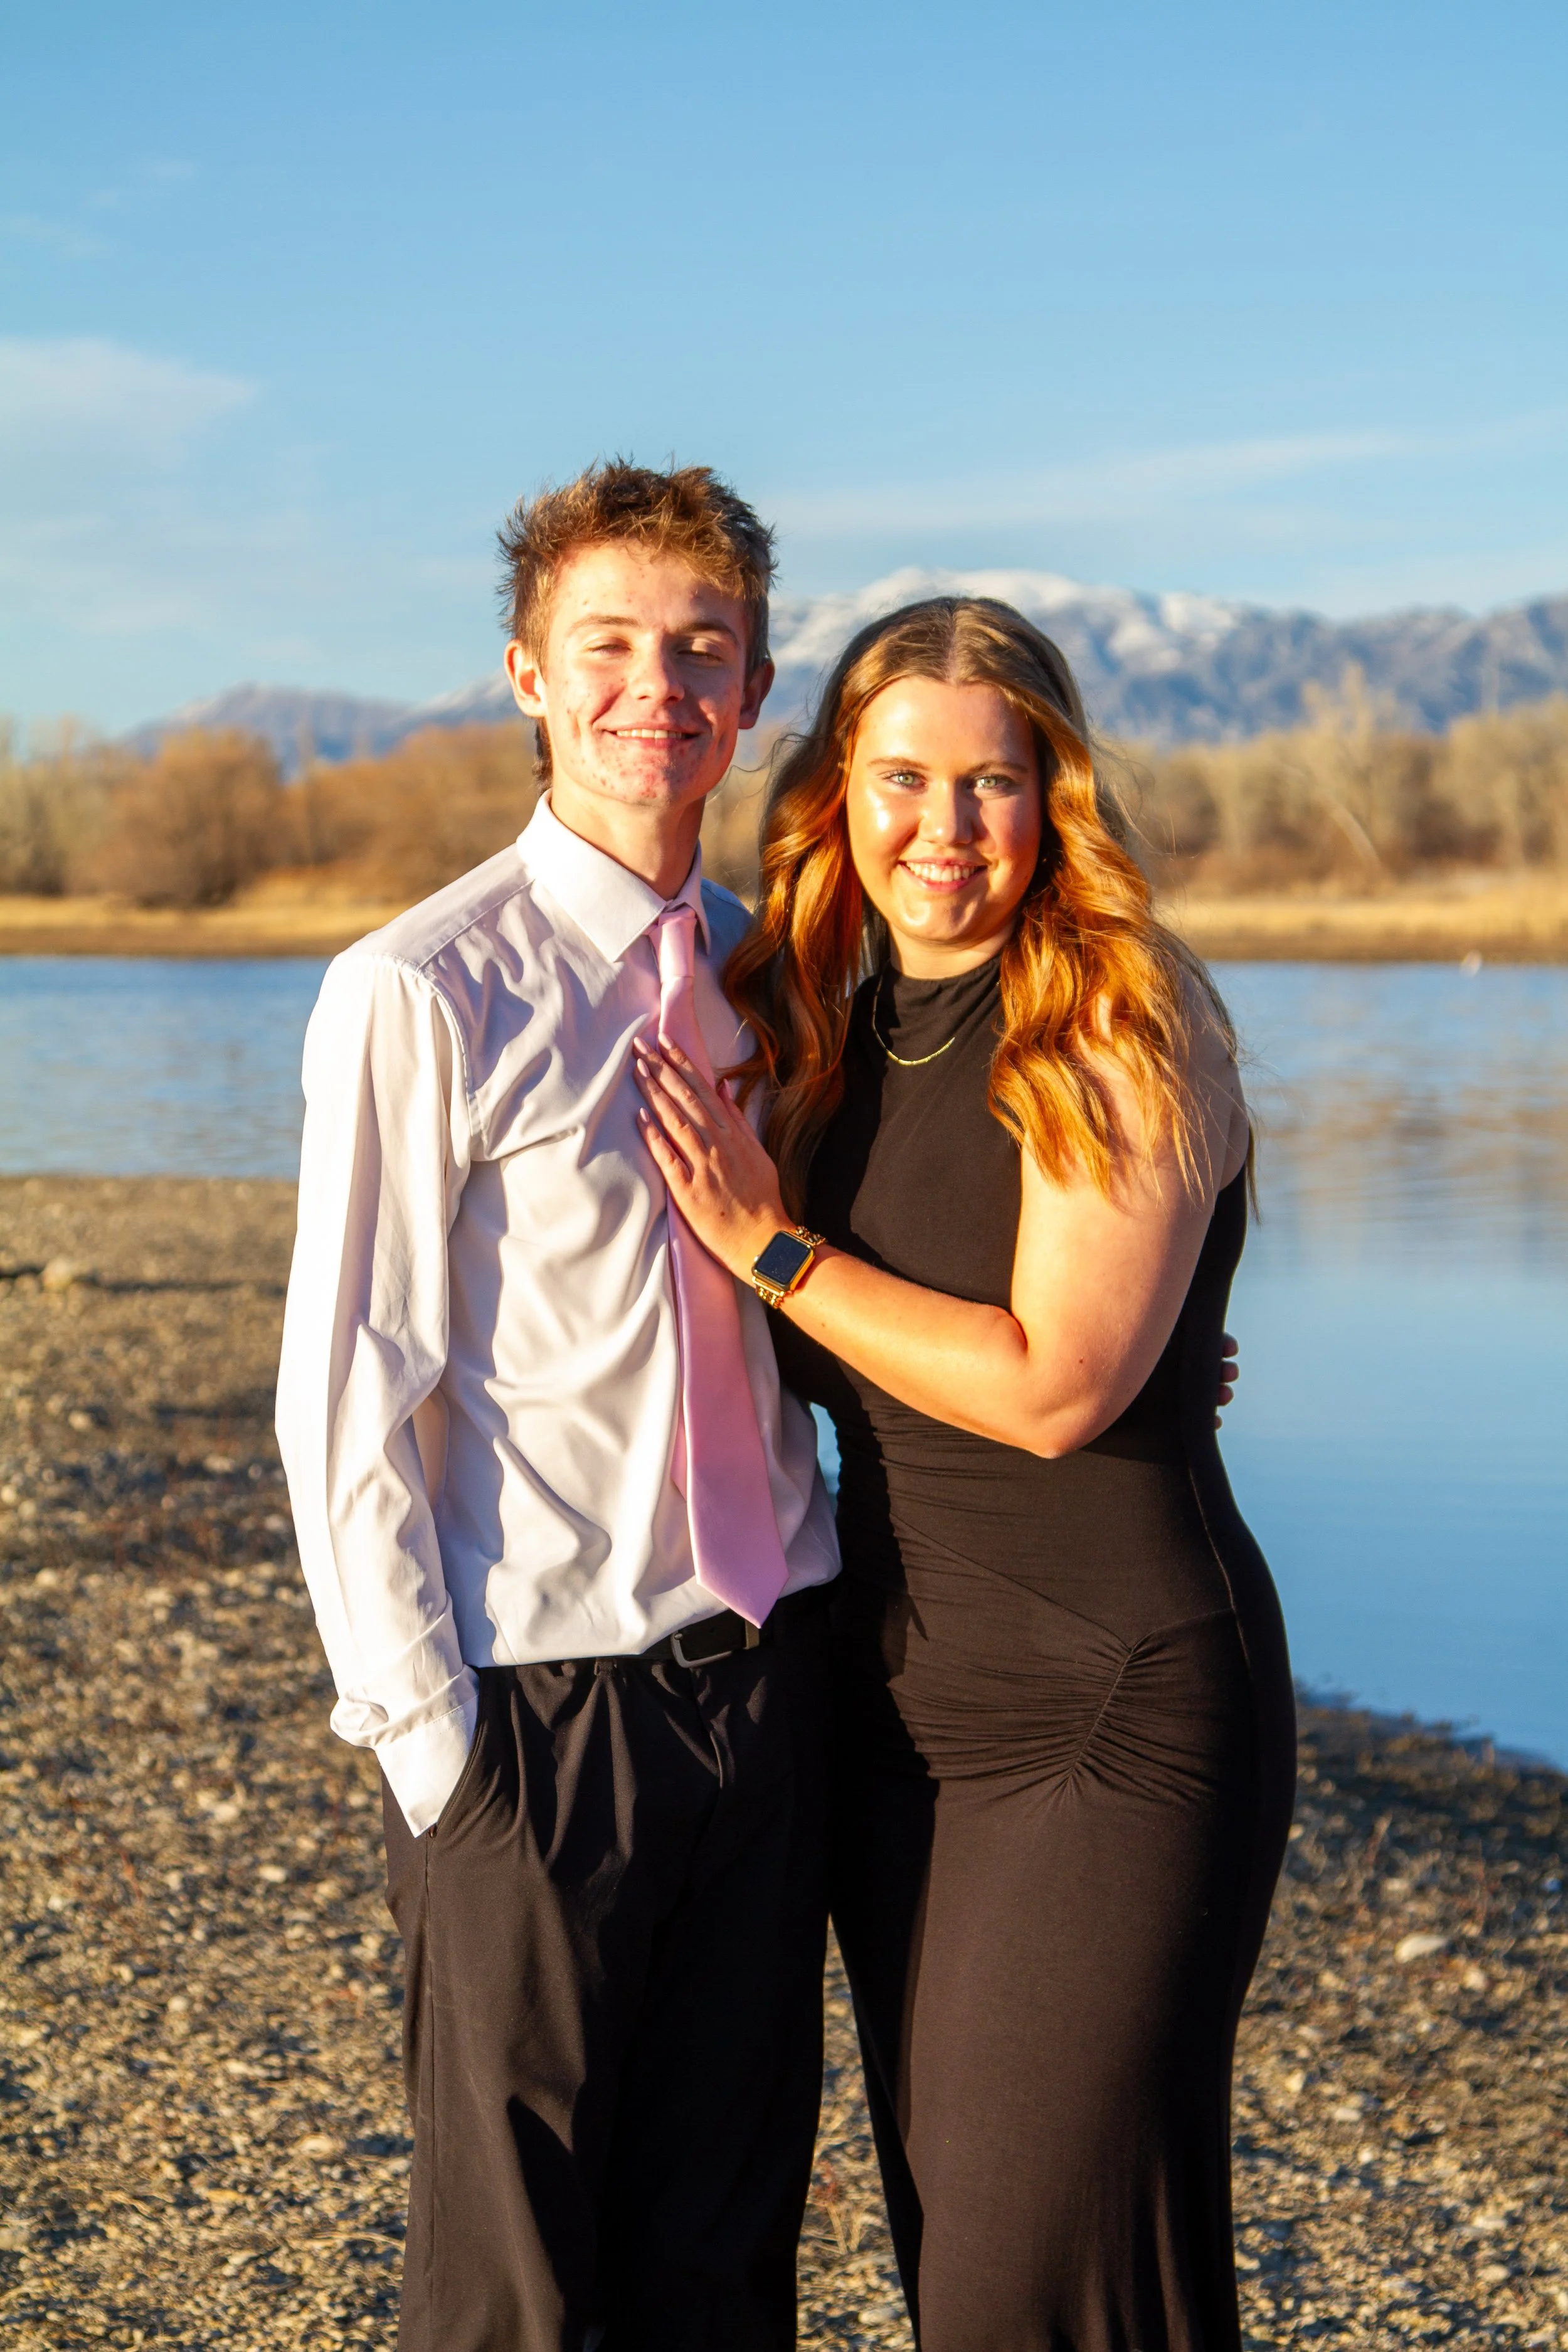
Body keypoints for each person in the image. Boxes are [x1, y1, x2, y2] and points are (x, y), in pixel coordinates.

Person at [635, 594, 1296, 2352]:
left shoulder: (1113, 1018)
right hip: (900, 1713)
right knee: (990, 2257)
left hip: (1114, 1703)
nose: (944, 831)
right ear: (836, 794)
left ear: (1052, 795)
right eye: (902, 779)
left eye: (991, 785)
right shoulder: (828, 1038)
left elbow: (1059, 1389)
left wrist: (776, 1256)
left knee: (1029, 2279)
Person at [275, 461, 841, 2352]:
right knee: (515, 2287)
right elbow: (343, 1391)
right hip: (539, 1712)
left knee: (723, 2255)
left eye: (701, 647)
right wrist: (439, 1764)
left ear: (753, 688)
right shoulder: (421, 989)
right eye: (605, 643)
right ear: (526, 672)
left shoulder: (777, 976)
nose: (653, 687)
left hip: (761, 1679)